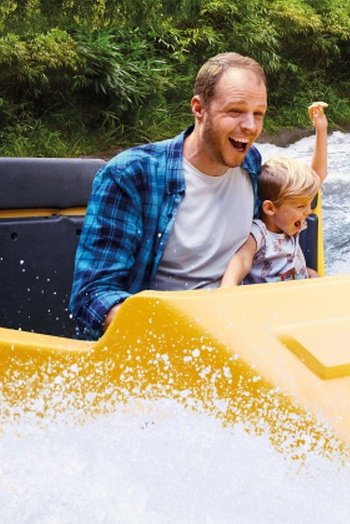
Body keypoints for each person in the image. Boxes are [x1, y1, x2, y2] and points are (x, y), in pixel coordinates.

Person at [69, 52, 322, 339]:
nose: (251, 126)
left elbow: (268, 243)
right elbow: (91, 297)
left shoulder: (251, 164)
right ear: (199, 108)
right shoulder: (130, 175)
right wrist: (177, 331)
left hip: (242, 327)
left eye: (258, 113)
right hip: (164, 337)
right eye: (235, 111)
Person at [221, 157, 322, 285]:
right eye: (301, 206)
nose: (308, 211)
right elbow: (242, 259)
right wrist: (228, 288)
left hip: (295, 295)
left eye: (308, 205)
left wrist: (311, 274)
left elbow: (289, 266)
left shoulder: (289, 226)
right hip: (268, 301)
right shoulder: (260, 233)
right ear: (270, 208)